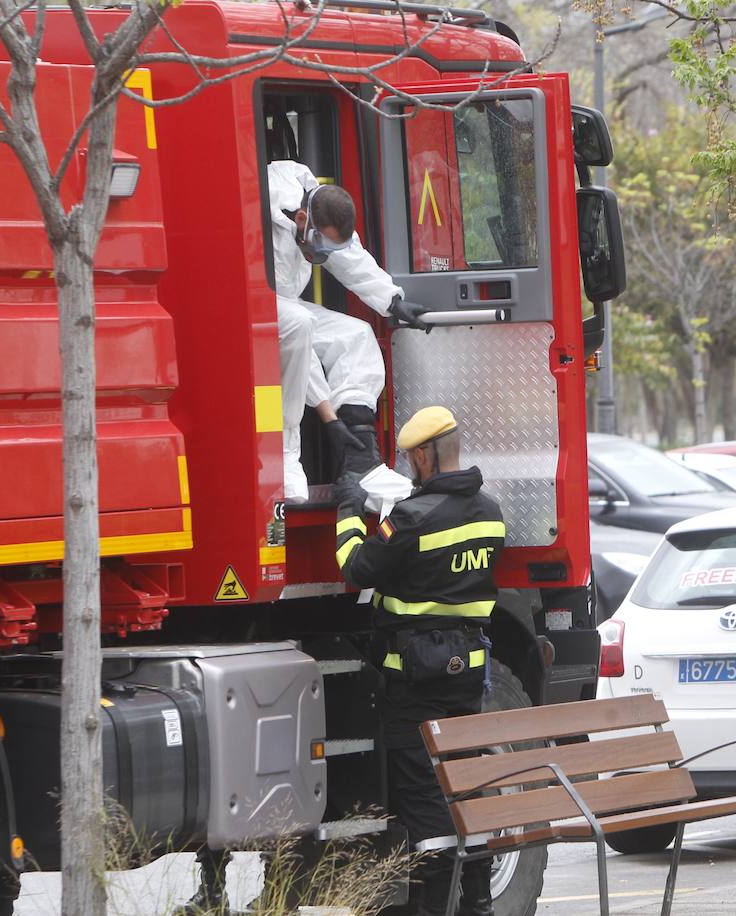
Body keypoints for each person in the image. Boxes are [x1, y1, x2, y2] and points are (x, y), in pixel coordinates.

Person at [333, 406, 505, 916]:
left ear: (426, 456)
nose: (410, 465)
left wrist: (346, 511)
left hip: (412, 675)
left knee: (423, 792)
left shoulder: (411, 519)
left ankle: (429, 906)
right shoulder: (491, 511)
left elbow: (358, 567)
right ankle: (477, 901)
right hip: (468, 667)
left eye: (411, 457)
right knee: (465, 781)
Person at [268, 159, 432, 501]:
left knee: (356, 335)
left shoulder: (315, 207)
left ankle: (362, 465)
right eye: (321, 246)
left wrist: (392, 300)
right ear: (301, 220)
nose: (323, 256)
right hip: (249, 303)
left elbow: (350, 258)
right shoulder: (264, 210)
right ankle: (285, 458)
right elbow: (301, 349)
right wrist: (328, 417)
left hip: (285, 305)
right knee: (299, 326)